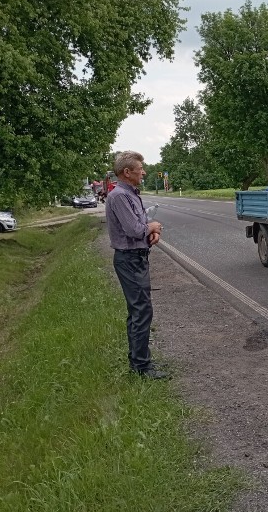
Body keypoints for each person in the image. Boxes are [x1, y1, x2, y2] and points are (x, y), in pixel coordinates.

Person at [105, 151, 168, 379]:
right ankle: (142, 367)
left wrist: (153, 231)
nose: (144, 172)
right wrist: (151, 227)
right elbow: (134, 230)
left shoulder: (130, 194)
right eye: (140, 168)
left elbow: (140, 226)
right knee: (141, 311)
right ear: (127, 172)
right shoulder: (120, 196)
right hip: (130, 260)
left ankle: (138, 362)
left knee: (138, 311)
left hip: (136, 258)